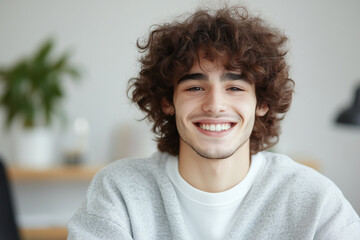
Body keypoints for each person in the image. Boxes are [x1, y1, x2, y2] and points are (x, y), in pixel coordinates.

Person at [67, 5, 360, 240]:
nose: (215, 105)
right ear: (168, 102)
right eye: (195, 88)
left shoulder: (314, 199)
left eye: (235, 88)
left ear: (263, 103)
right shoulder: (120, 192)